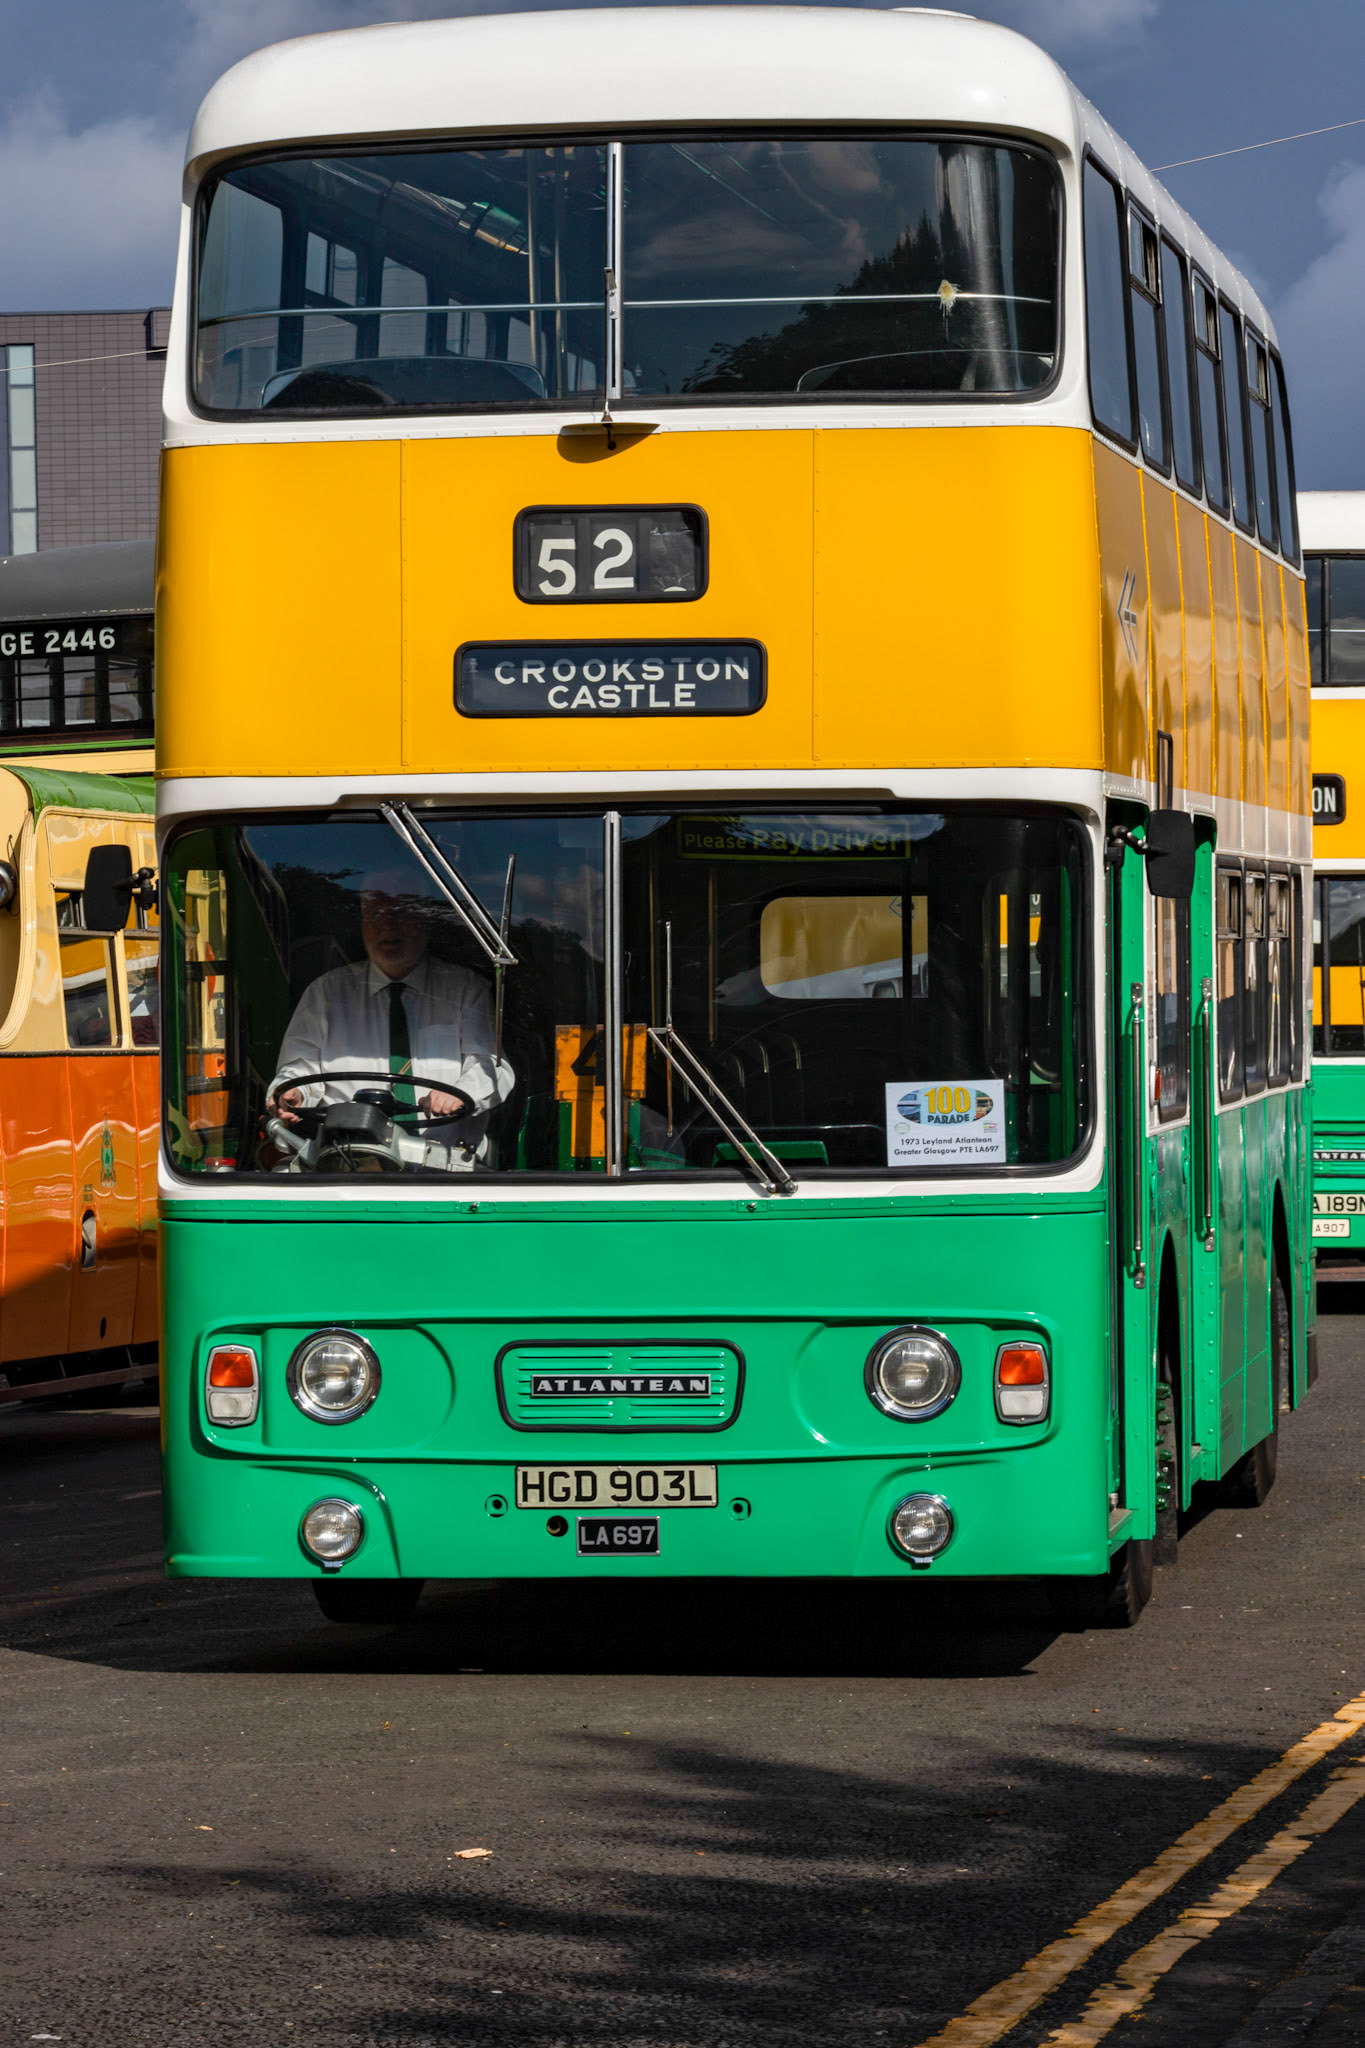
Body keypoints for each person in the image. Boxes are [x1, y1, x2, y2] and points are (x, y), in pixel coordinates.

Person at [267, 867, 513, 1159]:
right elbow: (299, 1069)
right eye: (375, 912)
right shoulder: (326, 993)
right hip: (347, 1164)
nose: (388, 925)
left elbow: (491, 1066)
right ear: (361, 924)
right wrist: (293, 1095)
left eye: (401, 911)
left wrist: (461, 1093)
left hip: (446, 1170)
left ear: (425, 920)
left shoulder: (465, 990)